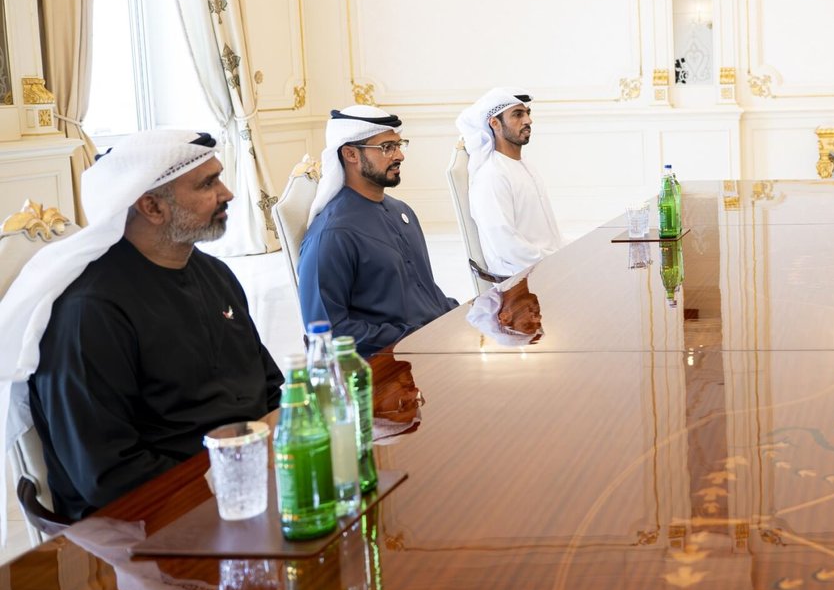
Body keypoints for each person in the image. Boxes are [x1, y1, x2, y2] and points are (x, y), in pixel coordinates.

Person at [0, 130, 283, 521]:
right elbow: (108, 475)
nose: (227, 193)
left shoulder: (215, 274)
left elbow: (269, 388)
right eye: (208, 184)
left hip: (244, 483)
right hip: (150, 520)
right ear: (152, 206)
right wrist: (228, 475)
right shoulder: (91, 312)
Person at [297, 106, 457, 355]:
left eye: (399, 145)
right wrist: (413, 337)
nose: (399, 155)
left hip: (429, 347)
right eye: (387, 147)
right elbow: (328, 330)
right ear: (350, 154)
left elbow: (424, 292)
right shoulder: (332, 234)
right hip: (386, 364)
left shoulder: (402, 211)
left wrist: (457, 316)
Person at [454, 87, 563, 278]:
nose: (528, 120)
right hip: (519, 281)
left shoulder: (525, 166)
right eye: (518, 114)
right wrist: (558, 262)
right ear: (495, 123)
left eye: (527, 113)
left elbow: (548, 239)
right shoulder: (491, 175)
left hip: (544, 271)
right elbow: (507, 246)